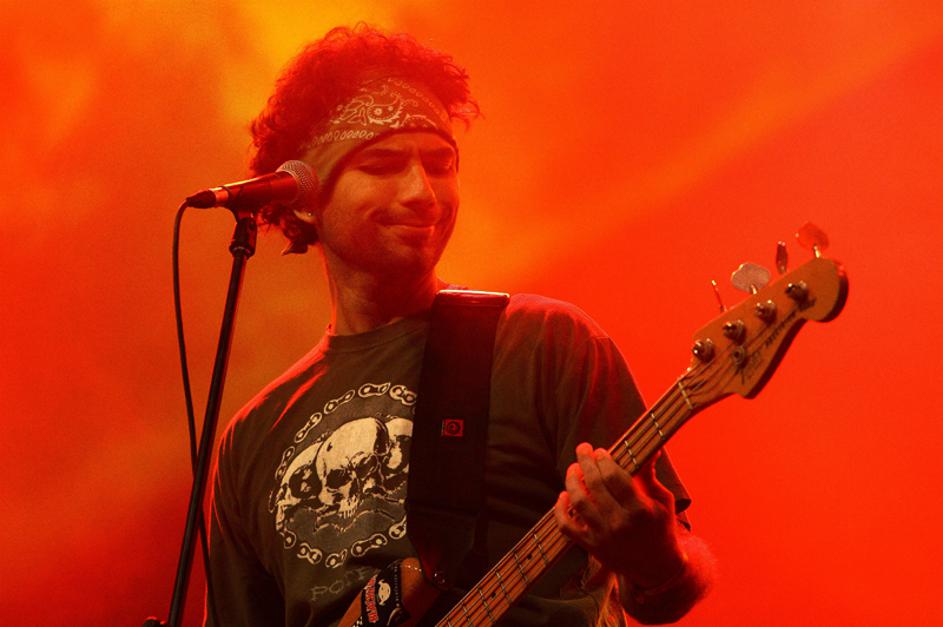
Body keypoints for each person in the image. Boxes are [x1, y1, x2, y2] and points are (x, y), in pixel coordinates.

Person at [205, 24, 713, 627]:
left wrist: (656, 559)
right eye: (383, 165)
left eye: (440, 164)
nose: (423, 192)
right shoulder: (251, 437)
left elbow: (671, 588)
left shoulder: (543, 343)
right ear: (303, 197)